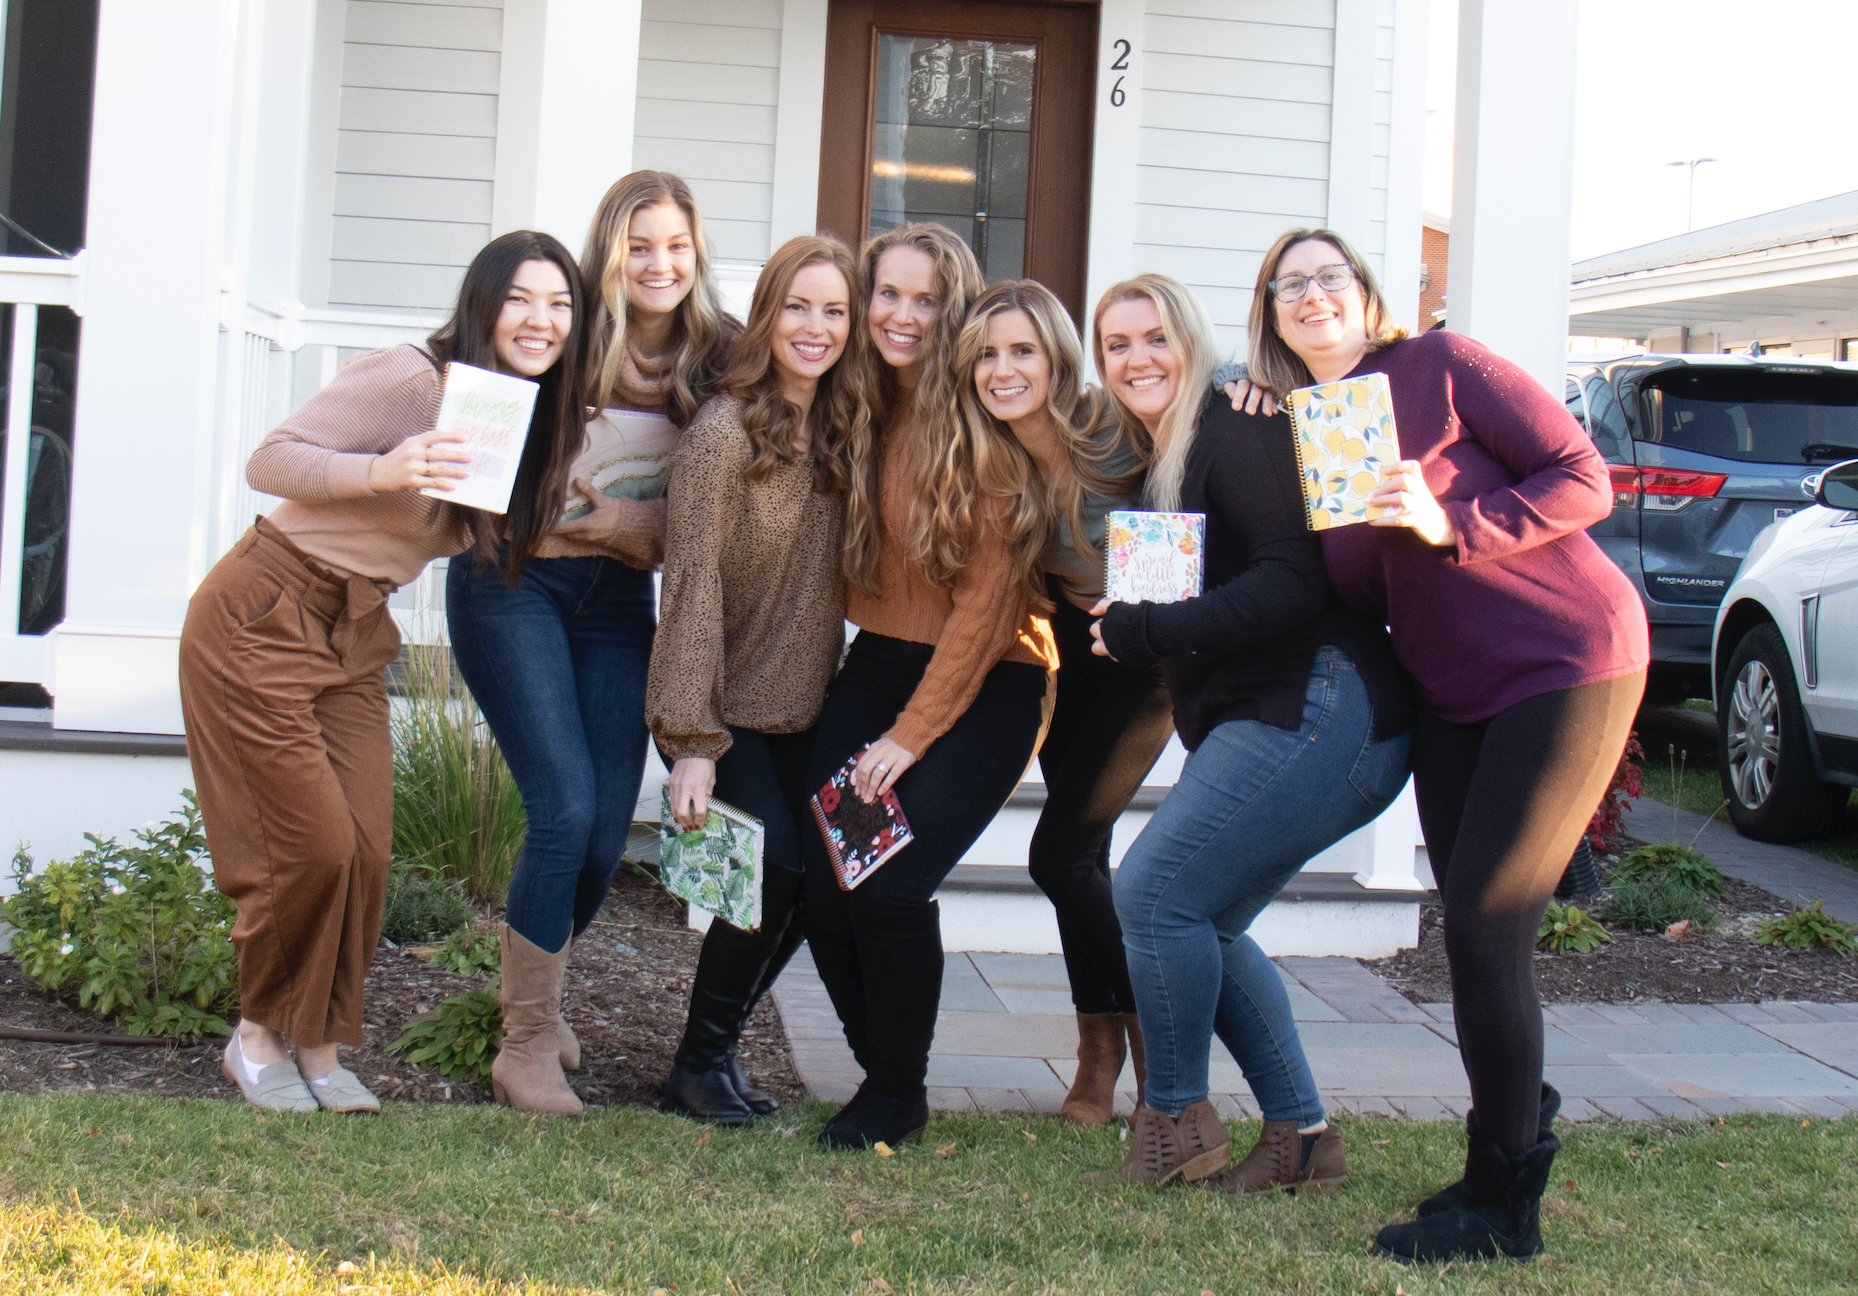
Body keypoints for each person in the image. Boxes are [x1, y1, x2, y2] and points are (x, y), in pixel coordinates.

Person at [1231, 228, 1646, 1261]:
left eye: (1329, 276)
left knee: (1486, 927)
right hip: (1452, 689)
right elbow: (1345, 586)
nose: (1310, 295)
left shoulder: (1441, 367)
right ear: (1271, 316)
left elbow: (1583, 477)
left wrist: (1449, 514)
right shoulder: (1309, 426)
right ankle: (1496, 1151)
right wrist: (1239, 406)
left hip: (1563, 658)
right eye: (1288, 288)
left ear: (1368, 296)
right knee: (1461, 926)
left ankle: (1507, 1208)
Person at [179, 229, 578, 1114]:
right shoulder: (413, 379)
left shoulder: (515, 416)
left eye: (560, 303)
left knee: (363, 849)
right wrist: (380, 469)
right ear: (483, 304)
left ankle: (317, 1052)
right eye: (520, 297)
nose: (540, 319)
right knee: (309, 846)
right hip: (265, 608)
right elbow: (270, 459)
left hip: (356, 632)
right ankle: (256, 1042)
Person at [1078, 274, 1414, 1195]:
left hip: (1321, 707)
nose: (1137, 358)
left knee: (1151, 895)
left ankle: (1177, 1116)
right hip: (1278, 716)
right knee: (1203, 923)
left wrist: (1142, 631)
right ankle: (1303, 1141)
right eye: (1116, 345)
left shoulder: (1235, 424)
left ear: (1193, 342)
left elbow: (1293, 583)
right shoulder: (1167, 454)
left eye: (1155, 338)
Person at [446, 172, 737, 1115]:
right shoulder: (561, 334)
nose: (659, 263)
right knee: (563, 808)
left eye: (676, 246)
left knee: (610, 830)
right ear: (608, 253)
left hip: (617, 600)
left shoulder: (720, 361)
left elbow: (709, 526)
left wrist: (613, 521)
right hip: (514, 586)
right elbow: (486, 475)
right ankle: (525, 1039)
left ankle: (537, 989)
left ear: (698, 255)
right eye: (637, 245)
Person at [801, 224, 1058, 1150]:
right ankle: (886, 1069)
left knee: (890, 884)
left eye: (927, 300)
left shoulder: (984, 421)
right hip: (878, 662)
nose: (903, 316)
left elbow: (987, 610)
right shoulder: (857, 400)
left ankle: (895, 1089)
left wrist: (909, 736)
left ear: (956, 309)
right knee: (827, 880)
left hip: (990, 678)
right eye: (888, 295)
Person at [648, 234, 864, 1123]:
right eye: (798, 306)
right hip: (726, 704)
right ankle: (695, 1067)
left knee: (825, 874)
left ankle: (717, 1052)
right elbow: (690, 584)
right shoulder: (721, 434)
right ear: (768, 311)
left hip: (810, 697)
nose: (815, 328)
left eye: (836, 311)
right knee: (770, 867)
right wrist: (692, 743)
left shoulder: (848, 425)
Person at [955, 279, 1171, 1126]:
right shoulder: (994, 456)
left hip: (1146, 662)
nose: (1003, 371)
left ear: (1055, 356)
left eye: (1021, 352)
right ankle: (1102, 1052)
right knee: (1087, 860)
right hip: (1072, 665)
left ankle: (1140, 1043)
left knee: (1060, 853)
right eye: (986, 356)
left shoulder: (1115, 431)